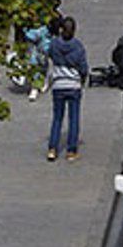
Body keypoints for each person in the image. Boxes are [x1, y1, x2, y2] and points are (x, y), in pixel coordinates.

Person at [45, 17, 87, 161]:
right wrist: (82, 80)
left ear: (61, 29)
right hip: (73, 85)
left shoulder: (54, 44)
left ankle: (52, 148)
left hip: (58, 85)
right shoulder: (78, 46)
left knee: (57, 118)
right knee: (73, 118)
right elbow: (83, 67)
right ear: (74, 30)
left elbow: (49, 53)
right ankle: (71, 150)